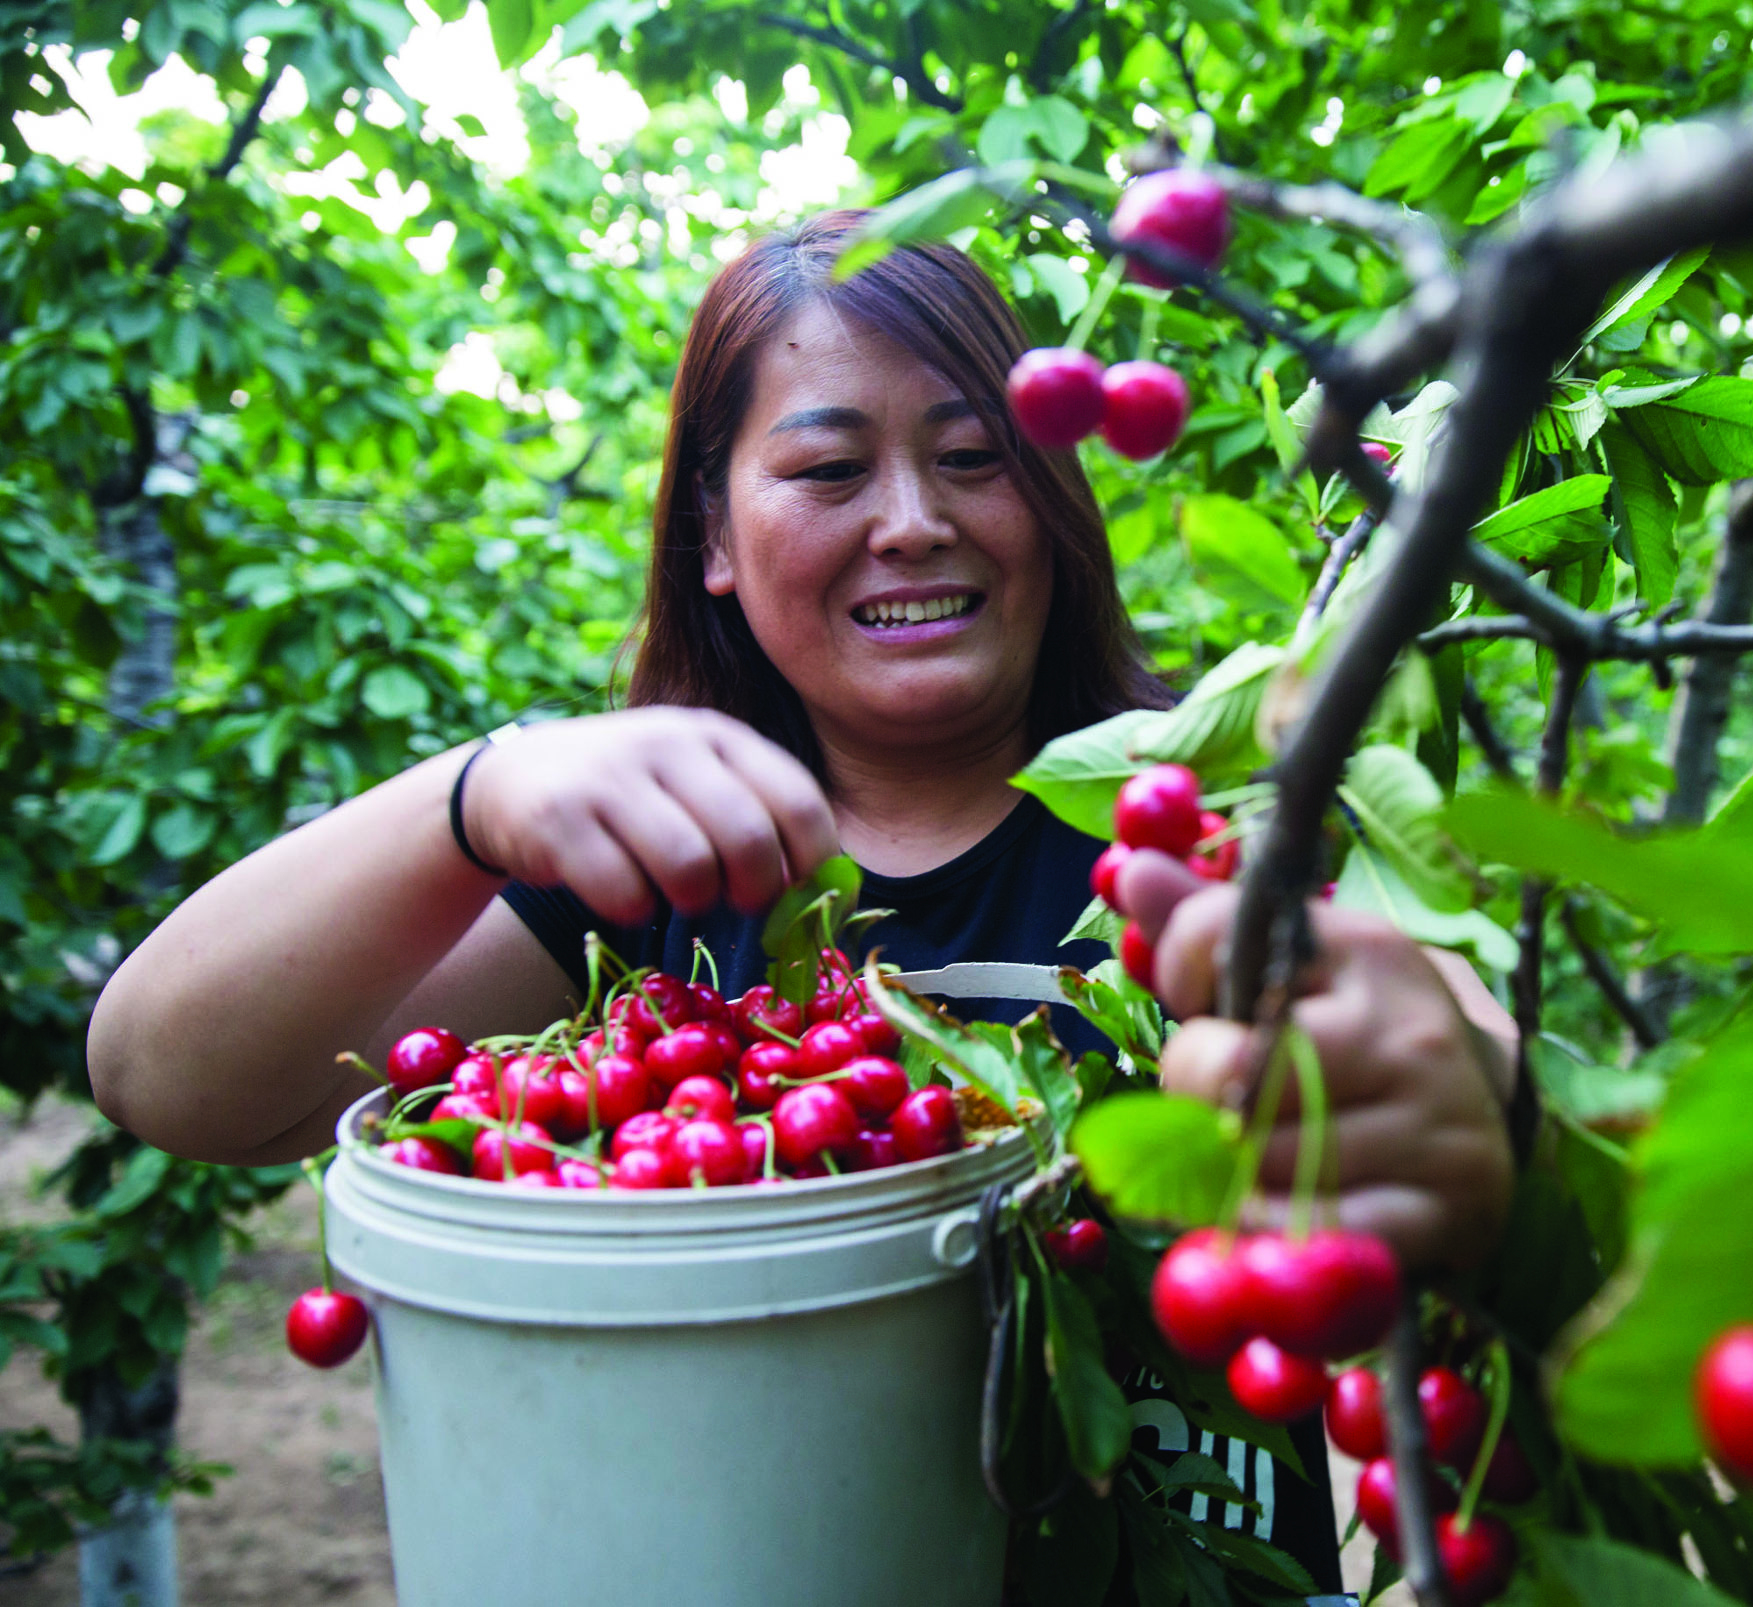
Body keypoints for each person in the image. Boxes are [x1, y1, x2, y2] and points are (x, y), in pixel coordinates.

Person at [85, 209, 1518, 1599]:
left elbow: (1452, 1089)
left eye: (975, 456)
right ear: (714, 535)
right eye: (830, 470)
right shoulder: (645, 866)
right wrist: (472, 795)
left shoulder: (1220, 828)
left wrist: (1457, 1100)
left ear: (1056, 500)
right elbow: (168, 1076)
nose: (912, 522)